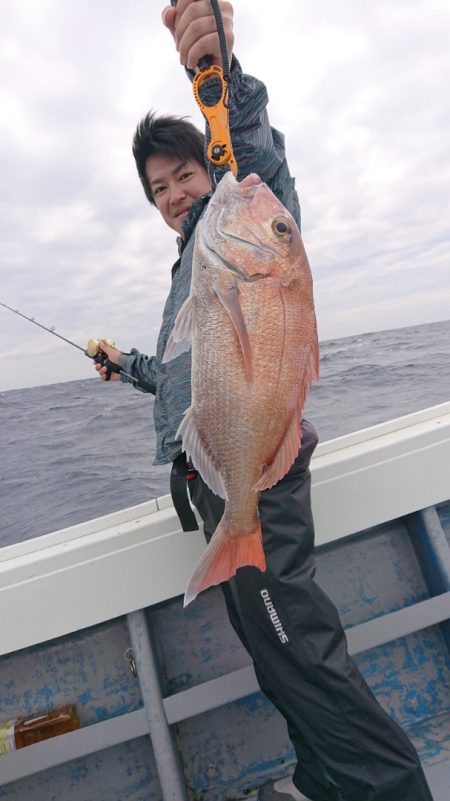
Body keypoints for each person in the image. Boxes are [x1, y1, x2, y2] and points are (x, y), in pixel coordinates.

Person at [95, 2, 434, 799]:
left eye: (185, 174)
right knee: (276, 655)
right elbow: (190, 374)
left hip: (261, 487)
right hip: (219, 487)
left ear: (209, 169)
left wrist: (219, 73)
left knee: (306, 658)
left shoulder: (249, 217)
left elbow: (253, 154)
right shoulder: (198, 263)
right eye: (161, 188)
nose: (178, 193)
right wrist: (129, 366)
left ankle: (390, 788)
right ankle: (323, 782)